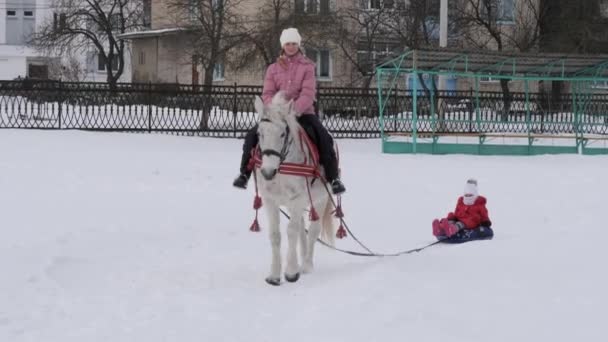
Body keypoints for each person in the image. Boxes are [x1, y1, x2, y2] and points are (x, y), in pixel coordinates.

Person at [232, 27, 346, 195]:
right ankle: (244, 173)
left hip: (303, 113)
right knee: (252, 135)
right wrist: (277, 110)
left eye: (294, 43)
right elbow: (267, 93)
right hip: (277, 115)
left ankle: (333, 178)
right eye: (287, 43)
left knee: (323, 136)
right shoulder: (273, 69)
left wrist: (293, 111)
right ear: (282, 45)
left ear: (298, 45)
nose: (291, 47)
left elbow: (308, 94)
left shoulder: (308, 67)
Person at [432, 179, 494, 243]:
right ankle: (441, 228)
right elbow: (456, 211)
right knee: (451, 215)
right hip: (460, 218)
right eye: (466, 195)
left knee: (465, 221)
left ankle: (452, 229)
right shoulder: (461, 201)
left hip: (472, 222)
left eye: (470, 195)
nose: (468, 197)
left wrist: (486, 221)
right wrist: (453, 218)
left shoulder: (480, 204)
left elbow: (484, 215)